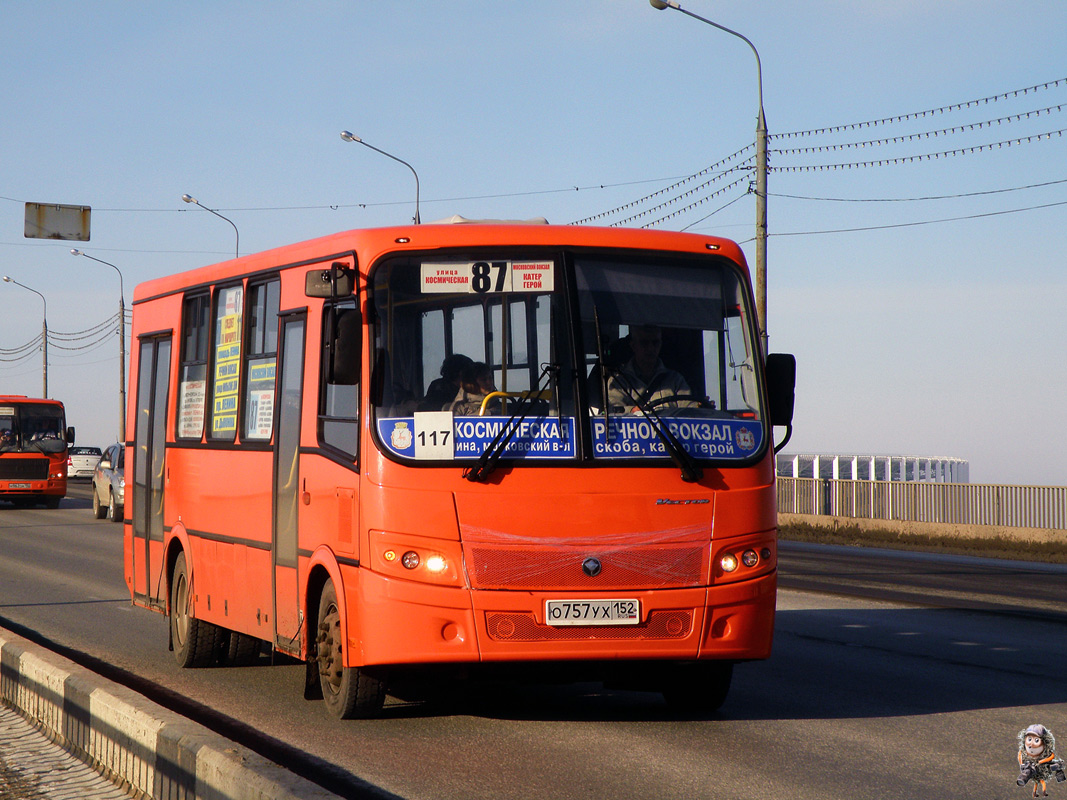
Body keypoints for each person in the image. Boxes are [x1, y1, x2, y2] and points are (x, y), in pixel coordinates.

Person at [604, 324, 694, 413]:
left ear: (661, 344)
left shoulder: (676, 380)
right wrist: (631, 411)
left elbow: (691, 412)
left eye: (655, 343)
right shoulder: (619, 381)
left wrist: (701, 408)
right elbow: (613, 412)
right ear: (633, 346)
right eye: (644, 343)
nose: (651, 348)